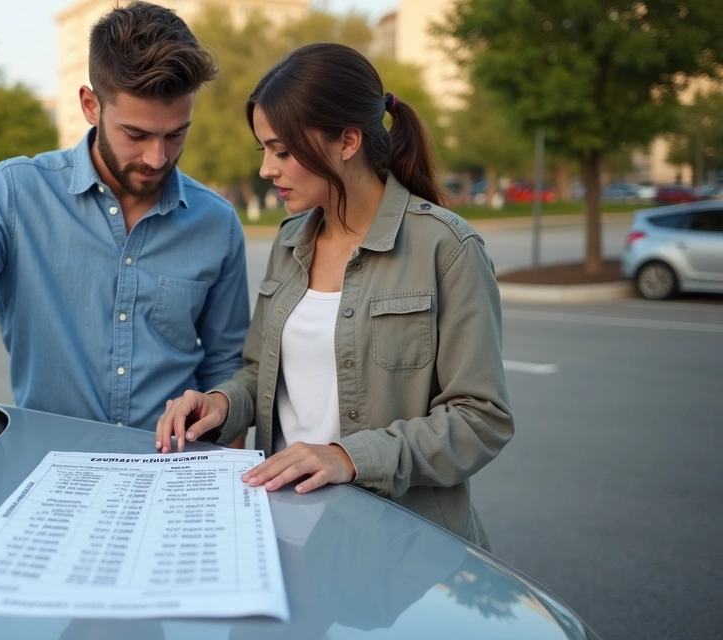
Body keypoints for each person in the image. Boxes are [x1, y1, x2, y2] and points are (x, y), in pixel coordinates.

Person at [155, 43, 513, 547]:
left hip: (402, 549)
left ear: (347, 140)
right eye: (264, 150)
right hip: (281, 531)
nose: (266, 169)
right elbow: (261, 372)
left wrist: (349, 457)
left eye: (282, 151)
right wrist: (219, 403)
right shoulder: (289, 240)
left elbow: (481, 418)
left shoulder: (447, 249)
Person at [0, 1, 249, 433]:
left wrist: (223, 427)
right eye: (136, 135)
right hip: (49, 466)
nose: (157, 157)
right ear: (90, 105)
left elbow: (226, 365)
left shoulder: (217, 222)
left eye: (176, 134)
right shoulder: (14, 194)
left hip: (175, 469)